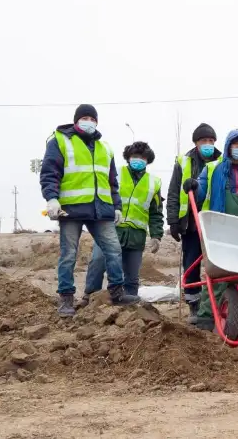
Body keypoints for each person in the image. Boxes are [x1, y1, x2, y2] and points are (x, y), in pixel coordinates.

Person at [40, 104, 140, 317]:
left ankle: (117, 291)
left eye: (93, 119)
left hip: (100, 209)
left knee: (113, 250)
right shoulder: (60, 141)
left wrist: (116, 207)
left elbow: (112, 182)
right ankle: (66, 299)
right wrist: (52, 198)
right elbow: (50, 172)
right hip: (71, 209)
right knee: (68, 255)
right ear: (76, 120)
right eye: (85, 118)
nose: (90, 122)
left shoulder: (105, 148)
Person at [182, 129, 238, 331]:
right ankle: (206, 318)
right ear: (228, 147)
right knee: (217, 276)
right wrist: (194, 186)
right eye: (235, 144)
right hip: (220, 229)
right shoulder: (213, 168)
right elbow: (201, 188)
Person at [80, 141, 164, 307]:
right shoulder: (116, 173)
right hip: (110, 229)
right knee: (98, 262)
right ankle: (89, 297)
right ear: (128, 158)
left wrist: (156, 235)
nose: (138, 160)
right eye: (134, 156)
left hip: (135, 235)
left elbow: (155, 212)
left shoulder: (154, 182)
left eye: (142, 157)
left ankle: (129, 305)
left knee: (131, 276)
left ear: (148, 160)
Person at [166, 123, 222, 324]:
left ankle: (215, 303)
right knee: (191, 263)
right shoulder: (184, 162)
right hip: (191, 223)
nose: (207, 144)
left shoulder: (222, 160)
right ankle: (194, 305)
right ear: (196, 143)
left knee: (217, 265)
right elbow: (173, 192)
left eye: (210, 141)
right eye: (203, 141)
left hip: (215, 224)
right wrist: (173, 220)